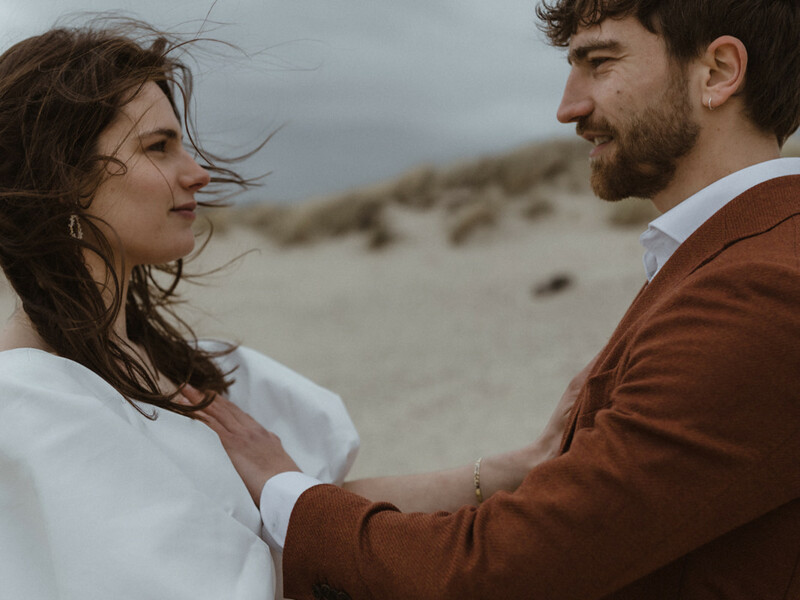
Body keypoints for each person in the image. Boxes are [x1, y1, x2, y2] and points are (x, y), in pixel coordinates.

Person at [201, 1, 800, 598]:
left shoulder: (760, 289)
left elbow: (499, 572)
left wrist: (285, 489)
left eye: (600, 62)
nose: (570, 107)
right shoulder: (732, 253)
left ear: (719, 72)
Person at [0, 18, 579, 599]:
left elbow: (309, 518)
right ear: (64, 179)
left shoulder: (172, 363)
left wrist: (518, 468)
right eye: (159, 146)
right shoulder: (32, 402)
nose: (197, 172)